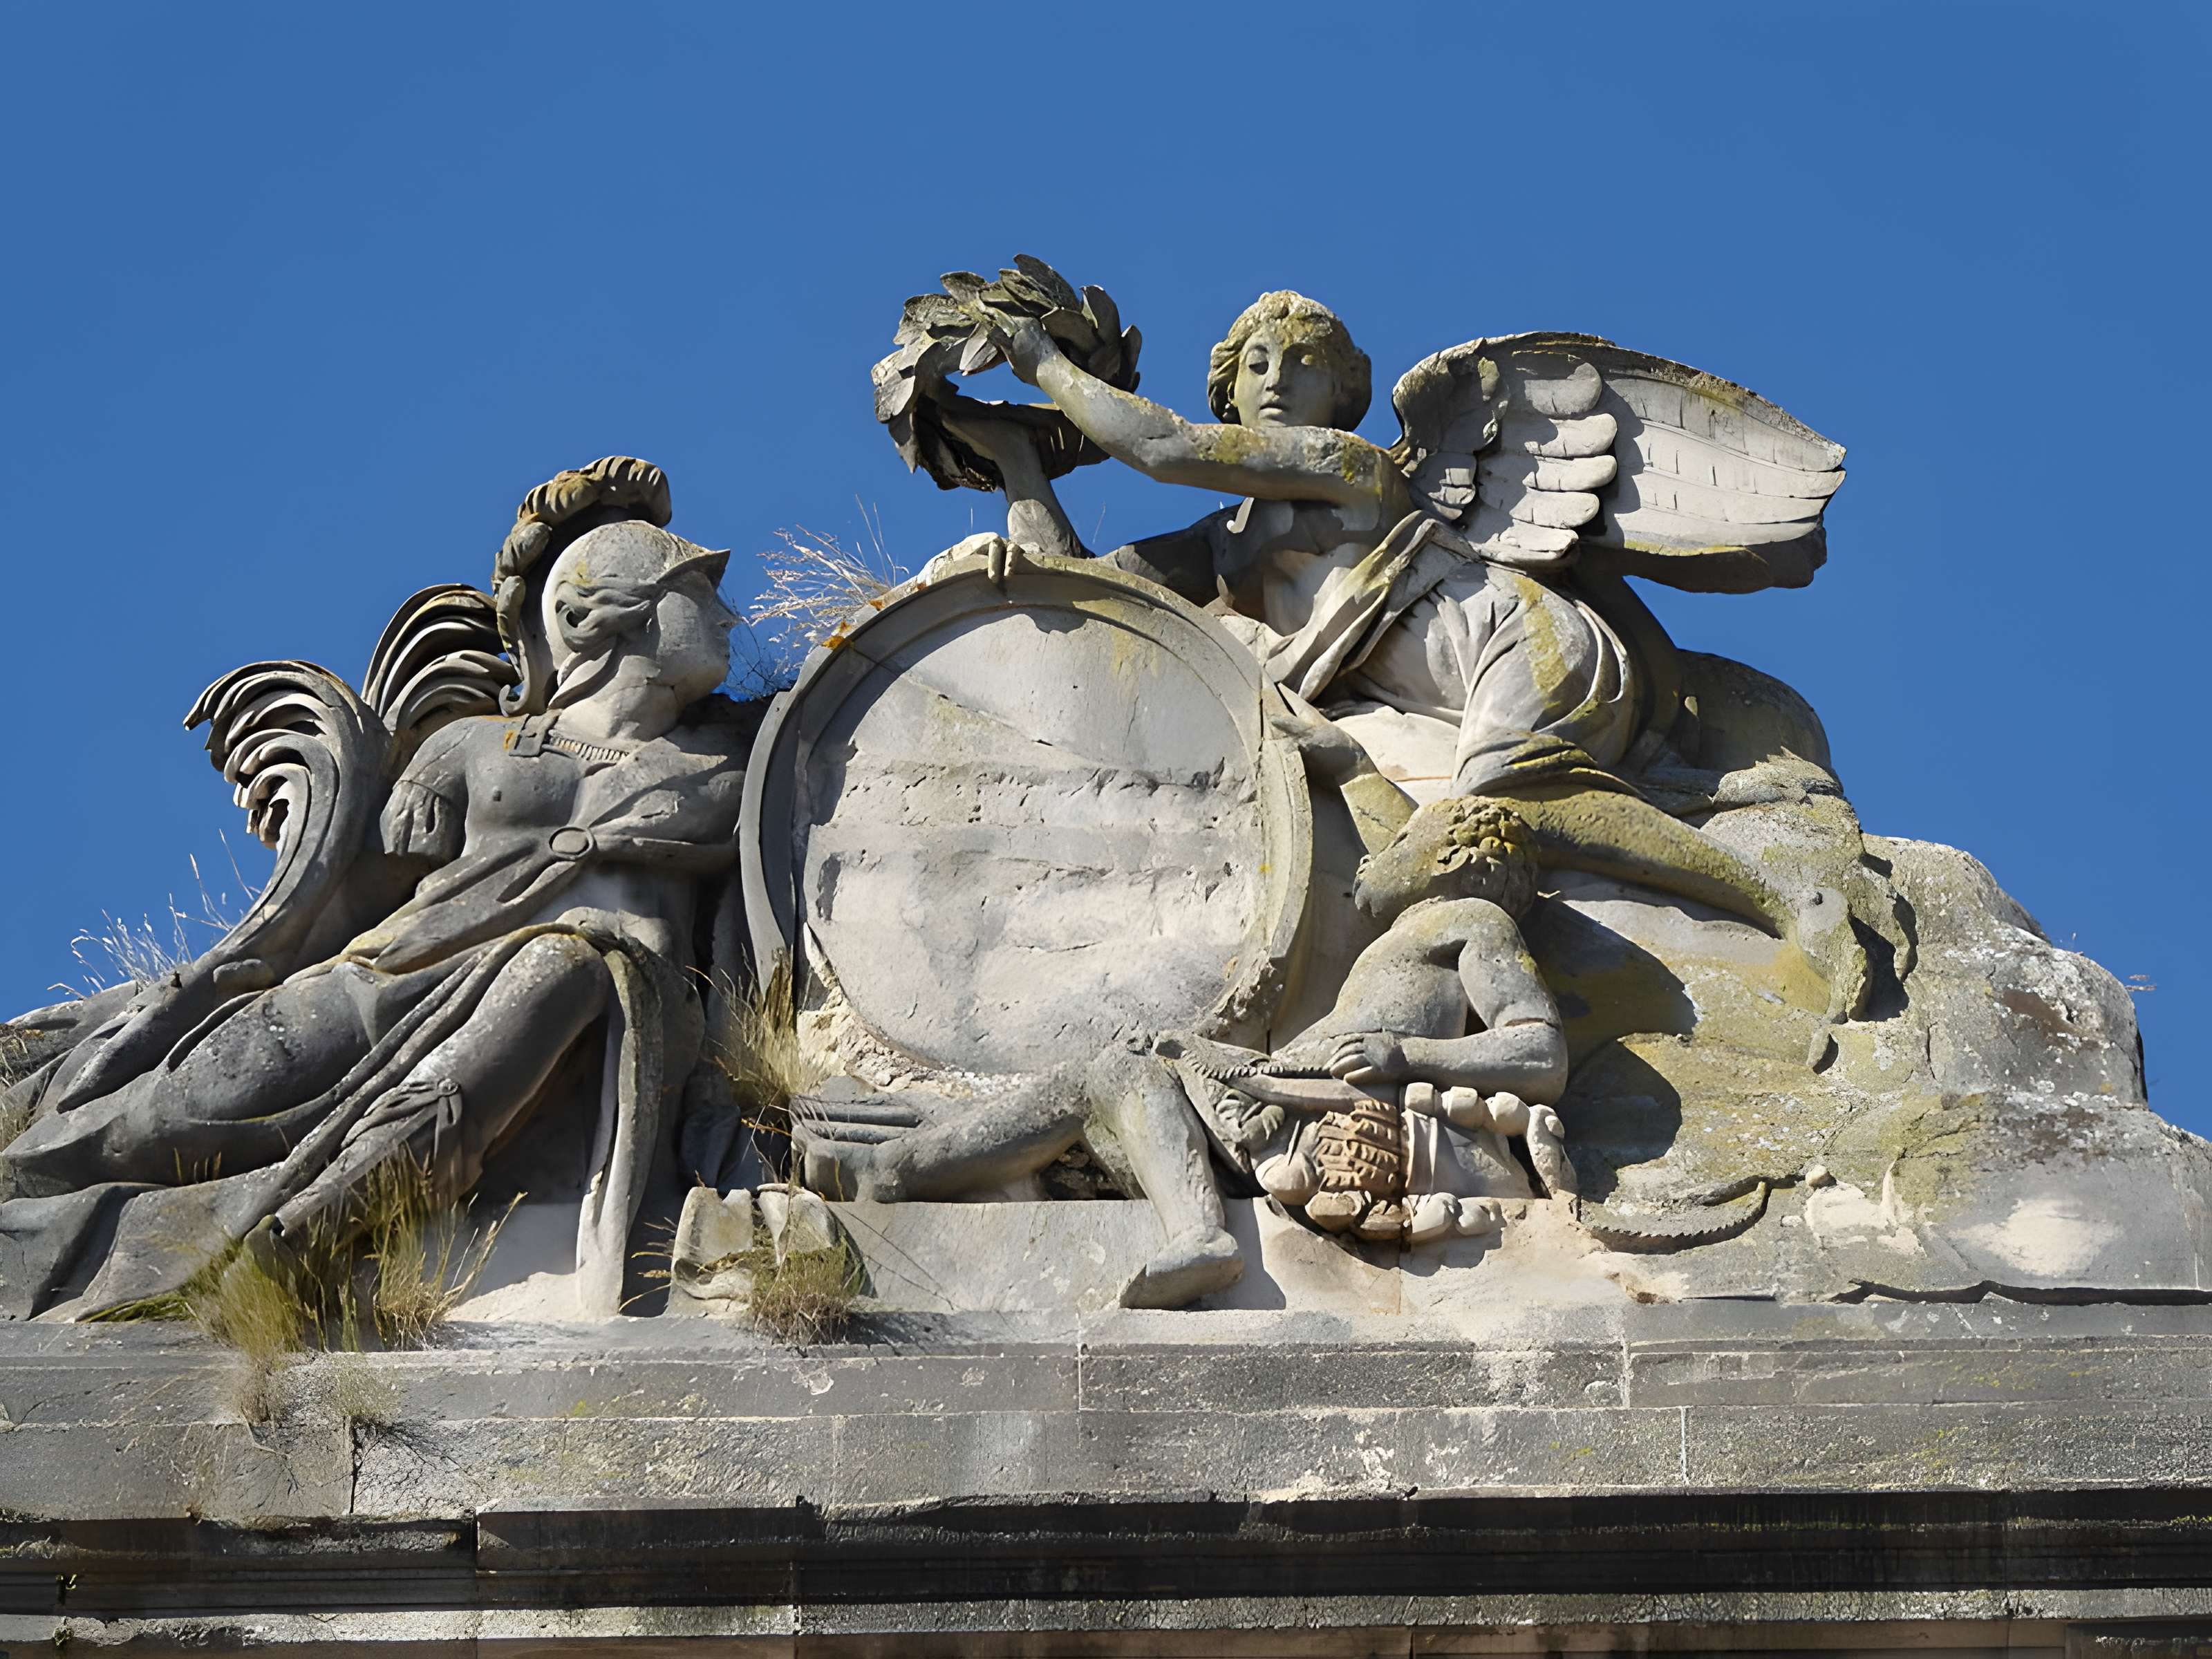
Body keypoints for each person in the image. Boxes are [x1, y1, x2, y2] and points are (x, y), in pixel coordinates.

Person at [0, 519, 747, 1319]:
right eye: (698, 593)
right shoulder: (472, 745)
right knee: (160, 1120)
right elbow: (356, 898)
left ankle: (309, 1230)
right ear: (594, 617)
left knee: (564, 963)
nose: (728, 618)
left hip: (590, 998)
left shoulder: (743, 762)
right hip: (382, 976)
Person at [800, 796, 1571, 1310]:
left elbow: (1539, 1051)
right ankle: (909, 1149)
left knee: (1111, 1075)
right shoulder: (1402, 944)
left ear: (1447, 860)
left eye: (1401, 840)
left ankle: (896, 1173)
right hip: (1289, 1103)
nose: (1372, 859)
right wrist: (1198, 1052)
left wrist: (1406, 1055)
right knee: (1116, 1076)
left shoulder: (1467, 918)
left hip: (1334, 1121)